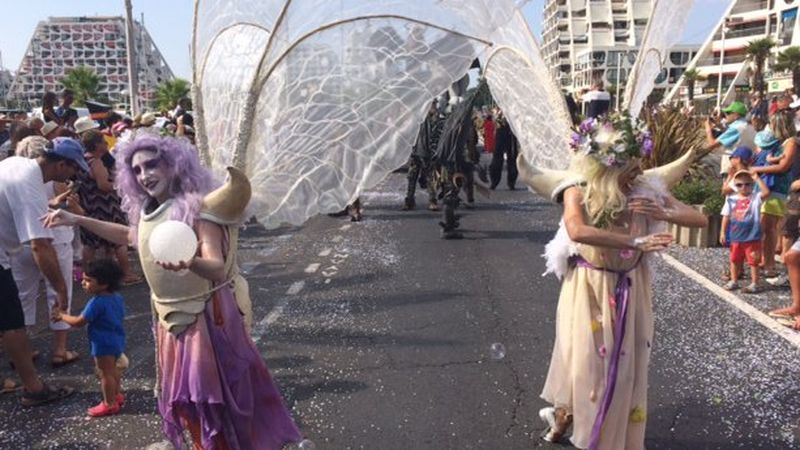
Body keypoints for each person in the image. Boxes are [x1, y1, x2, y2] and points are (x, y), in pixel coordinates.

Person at [44, 134, 302, 449]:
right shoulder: (148, 210)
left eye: (152, 165)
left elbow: (216, 266)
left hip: (207, 320)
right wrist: (76, 219)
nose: (145, 175)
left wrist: (190, 261)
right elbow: (129, 235)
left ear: (173, 165)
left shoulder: (197, 209)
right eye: (136, 170)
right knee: (188, 401)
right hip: (171, 322)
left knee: (213, 397)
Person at [524, 116, 707, 449]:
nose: (637, 172)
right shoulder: (577, 190)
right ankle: (570, 420)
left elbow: (699, 218)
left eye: (638, 164)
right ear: (608, 167)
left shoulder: (644, 190)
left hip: (631, 286)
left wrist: (664, 212)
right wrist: (633, 242)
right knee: (588, 370)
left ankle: (594, 432)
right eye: (629, 166)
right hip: (589, 289)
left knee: (625, 374)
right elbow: (577, 230)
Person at [0, 137, 87, 406]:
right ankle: (34, 389)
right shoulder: (30, 183)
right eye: (73, 169)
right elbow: (40, 247)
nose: (73, 176)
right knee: (12, 323)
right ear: (60, 165)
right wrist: (61, 290)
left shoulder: (16, 163)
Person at [54, 258, 127, 417]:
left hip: (102, 343)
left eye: (88, 280)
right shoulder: (116, 297)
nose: (83, 283)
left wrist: (62, 316)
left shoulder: (96, 303)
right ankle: (116, 395)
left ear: (104, 283)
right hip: (116, 338)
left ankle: (109, 403)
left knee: (105, 373)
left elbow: (79, 322)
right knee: (113, 370)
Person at [77, 130, 141, 285]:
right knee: (119, 241)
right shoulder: (96, 162)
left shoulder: (83, 160)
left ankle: (91, 275)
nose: (106, 144)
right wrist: (121, 186)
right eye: (103, 141)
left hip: (89, 204)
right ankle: (126, 274)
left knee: (91, 243)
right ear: (97, 144)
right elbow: (103, 185)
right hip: (104, 205)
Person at [720, 170, 770, 293]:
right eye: (739, 185)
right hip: (736, 236)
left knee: (753, 261)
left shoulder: (755, 197)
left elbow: (766, 192)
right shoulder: (731, 199)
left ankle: (754, 283)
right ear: (735, 186)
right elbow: (726, 216)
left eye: (747, 184)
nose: (744, 187)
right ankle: (734, 280)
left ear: (752, 185)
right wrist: (722, 232)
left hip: (752, 236)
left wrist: (757, 177)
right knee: (734, 259)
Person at [705, 101, 756, 177]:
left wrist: (708, 129)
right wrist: (720, 126)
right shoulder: (750, 127)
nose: (726, 116)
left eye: (728, 113)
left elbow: (712, 144)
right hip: (748, 165)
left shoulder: (735, 128)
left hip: (732, 167)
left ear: (736, 115)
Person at [489, 111, 519, 190]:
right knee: (497, 158)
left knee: (512, 158)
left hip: (511, 133)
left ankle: (511, 182)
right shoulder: (499, 110)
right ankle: (494, 181)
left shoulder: (513, 107)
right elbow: (495, 120)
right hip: (501, 131)